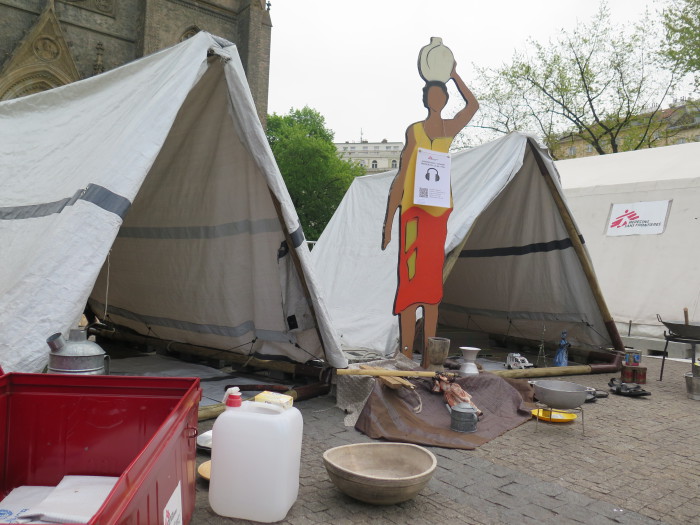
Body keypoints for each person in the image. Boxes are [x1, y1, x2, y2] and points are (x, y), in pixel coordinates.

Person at [381, 63, 478, 363]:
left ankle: (430, 358)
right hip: (413, 212)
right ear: (426, 100)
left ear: (445, 100)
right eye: (431, 96)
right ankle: (407, 352)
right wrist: (388, 221)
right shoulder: (415, 131)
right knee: (410, 280)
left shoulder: (449, 129)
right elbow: (401, 175)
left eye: (441, 95)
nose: (436, 100)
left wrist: (454, 74)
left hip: (437, 213)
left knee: (432, 286)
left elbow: (473, 105)